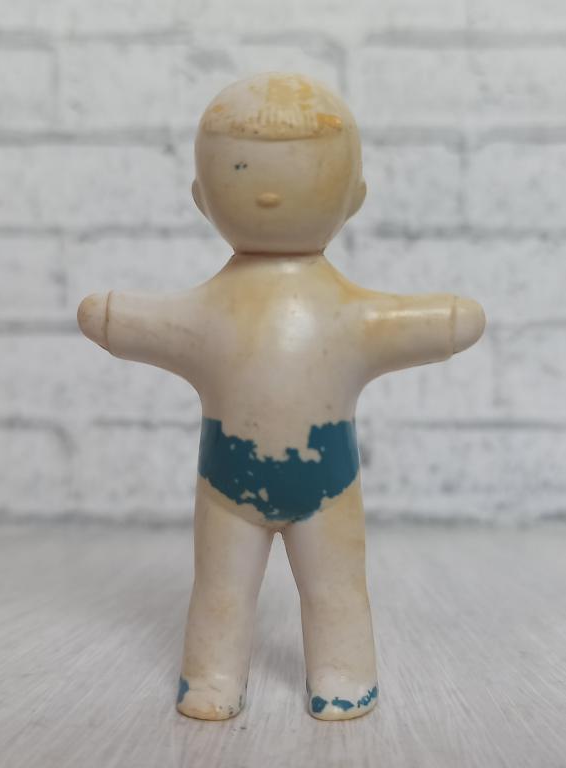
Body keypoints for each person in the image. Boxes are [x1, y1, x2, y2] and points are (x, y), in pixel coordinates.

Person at [78, 72, 486, 721]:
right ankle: (214, 676)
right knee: (223, 589)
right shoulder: (212, 310)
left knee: (333, 589)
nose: (268, 193)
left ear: (353, 198)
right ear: (202, 198)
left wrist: (445, 320)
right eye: (240, 169)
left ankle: (342, 673)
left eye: (298, 171)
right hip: (237, 485)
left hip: (320, 486)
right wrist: (112, 317)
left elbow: (401, 323)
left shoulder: (345, 312)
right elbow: (154, 323)